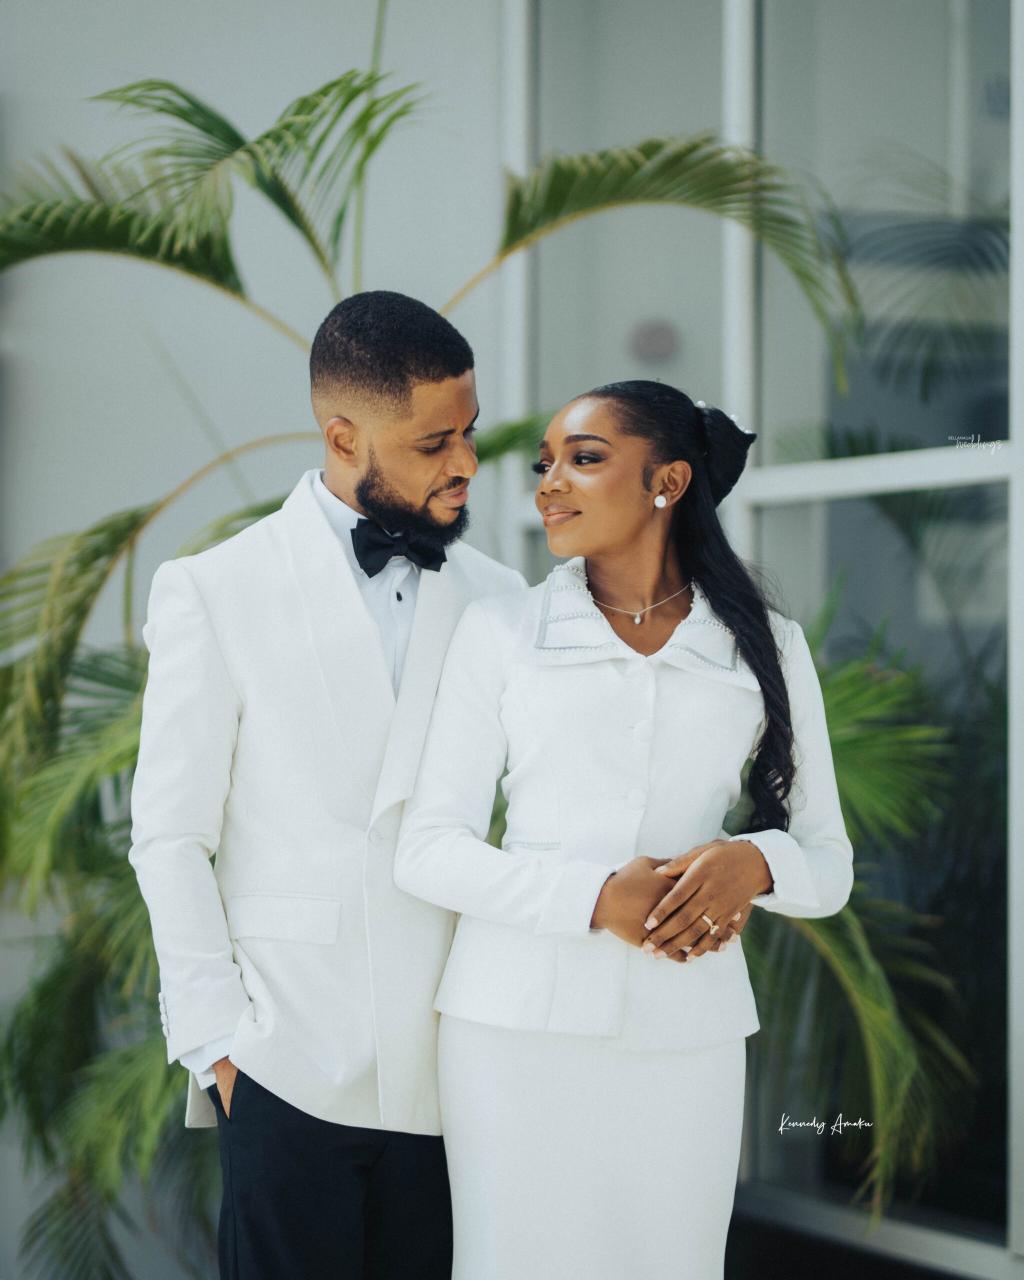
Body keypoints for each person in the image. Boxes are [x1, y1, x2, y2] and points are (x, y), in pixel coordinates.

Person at [394, 379, 855, 1279]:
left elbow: (828, 861)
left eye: (584, 459)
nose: (549, 484)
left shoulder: (767, 645)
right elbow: (428, 849)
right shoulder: (502, 632)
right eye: (545, 465)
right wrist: (594, 898)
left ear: (668, 482)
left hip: (688, 1032)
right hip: (512, 1031)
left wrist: (755, 864)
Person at [128, 290, 525, 1279]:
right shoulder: (214, 588)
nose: (467, 463)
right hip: (285, 1066)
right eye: (435, 442)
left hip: (455, 1073)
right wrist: (218, 1047)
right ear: (343, 436)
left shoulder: (500, 598)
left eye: (469, 431)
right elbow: (171, 835)